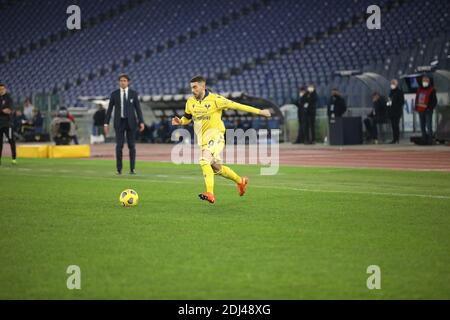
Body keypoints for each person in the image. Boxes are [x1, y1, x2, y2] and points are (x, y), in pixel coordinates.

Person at [171, 76, 271, 204]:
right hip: (202, 141)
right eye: (191, 87)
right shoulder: (190, 101)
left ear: (203, 86)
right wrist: (180, 121)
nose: (193, 90)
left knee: (203, 160)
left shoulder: (216, 100)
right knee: (216, 167)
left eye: (195, 87)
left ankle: (210, 193)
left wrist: (260, 112)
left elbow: (237, 106)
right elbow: (187, 117)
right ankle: (241, 181)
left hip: (216, 137)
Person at [104, 74, 145, 175]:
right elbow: (109, 110)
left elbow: (138, 109)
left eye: (125, 80)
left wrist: (141, 122)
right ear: (119, 82)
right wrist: (106, 123)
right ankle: (119, 169)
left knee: (132, 146)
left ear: (128, 82)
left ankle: (132, 169)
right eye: (121, 80)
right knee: (119, 146)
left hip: (131, 122)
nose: (122, 82)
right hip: (119, 122)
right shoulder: (114, 94)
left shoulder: (133, 94)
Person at [415, 76, 437, 145]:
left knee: (429, 126)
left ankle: (430, 140)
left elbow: (434, 101)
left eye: (426, 81)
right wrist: (416, 107)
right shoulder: (419, 89)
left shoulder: (432, 90)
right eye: (423, 81)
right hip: (420, 110)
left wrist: (429, 108)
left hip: (428, 111)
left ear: (429, 82)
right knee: (422, 126)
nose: (424, 82)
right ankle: (424, 139)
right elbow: (417, 99)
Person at [0, 83, 17, 165]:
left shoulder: (9, 98)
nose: (1, 91)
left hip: (7, 123)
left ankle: (14, 158)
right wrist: (3, 110)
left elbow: (9, 110)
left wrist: (3, 110)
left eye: (2, 89)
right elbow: (5, 110)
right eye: (0, 89)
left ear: (5, 89)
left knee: (11, 140)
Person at [387, 79, 405, 144]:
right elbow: (389, 101)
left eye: (393, 83)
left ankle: (396, 138)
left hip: (397, 111)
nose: (392, 85)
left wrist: (395, 104)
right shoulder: (391, 92)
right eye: (391, 83)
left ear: (396, 84)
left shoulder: (399, 92)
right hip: (391, 111)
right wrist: (388, 105)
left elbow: (402, 102)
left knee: (396, 125)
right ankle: (394, 139)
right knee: (393, 126)